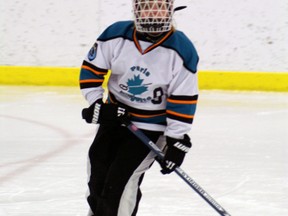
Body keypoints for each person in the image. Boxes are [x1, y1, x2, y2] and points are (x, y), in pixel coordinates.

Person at [79, 0, 199, 215]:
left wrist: (176, 139)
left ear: (170, 10)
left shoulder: (181, 49)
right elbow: (91, 72)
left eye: (159, 6)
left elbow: (183, 99)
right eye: (147, 6)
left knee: (120, 185)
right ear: (136, 9)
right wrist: (98, 105)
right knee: (97, 177)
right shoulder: (115, 34)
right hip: (116, 120)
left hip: (151, 129)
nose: (152, 12)